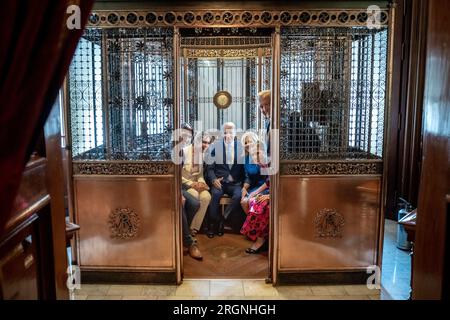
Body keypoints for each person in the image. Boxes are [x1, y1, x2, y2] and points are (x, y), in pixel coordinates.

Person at [205, 122, 246, 238]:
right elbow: (210, 167)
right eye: (225, 132)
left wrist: (244, 184)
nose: (228, 134)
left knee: (238, 196)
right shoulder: (215, 147)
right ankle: (212, 224)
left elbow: (244, 167)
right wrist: (213, 180)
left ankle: (222, 219)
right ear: (222, 133)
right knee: (215, 195)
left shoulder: (241, 147)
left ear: (235, 133)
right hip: (220, 182)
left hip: (235, 183)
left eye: (231, 132)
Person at [240, 144, 270, 254]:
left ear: (264, 151)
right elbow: (268, 183)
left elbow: (284, 183)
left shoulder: (272, 161)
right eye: (253, 154)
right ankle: (261, 237)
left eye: (257, 153)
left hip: (280, 193)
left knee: (260, 205)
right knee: (253, 201)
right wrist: (254, 193)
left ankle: (260, 240)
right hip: (269, 191)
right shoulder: (262, 164)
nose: (255, 156)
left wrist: (271, 196)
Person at [182, 132, 212, 236]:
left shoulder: (202, 155)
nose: (206, 145)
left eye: (208, 143)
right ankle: (187, 228)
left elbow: (200, 175)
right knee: (194, 195)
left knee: (206, 197)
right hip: (184, 185)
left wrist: (201, 184)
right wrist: (191, 184)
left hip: (196, 184)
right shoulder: (184, 152)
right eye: (204, 142)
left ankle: (194, 227)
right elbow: (177, 176)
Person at [240, 131, 269, 213]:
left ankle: (253, 222)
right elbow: (248, 177)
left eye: (250, 141)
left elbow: (268, 179)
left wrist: (255, 192)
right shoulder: (246, 158)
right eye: (246, 142)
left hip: (264, 186)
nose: (248, 144)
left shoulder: (262, 155)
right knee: (243, 201)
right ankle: (251, 222)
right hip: (254, 186)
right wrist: (244, 188)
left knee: (248, 201)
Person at [182, 191, 203, 260]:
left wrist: (178, 193)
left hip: (177, 188)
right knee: (179, 205)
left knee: (195, 204)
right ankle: (189, 242)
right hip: (164, 188)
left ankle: (184, 232)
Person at [258, 90, 271, 156]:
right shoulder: (268, 122)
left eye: (267, 104)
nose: (264, 109)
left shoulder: (283, 122)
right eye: (261, 106)